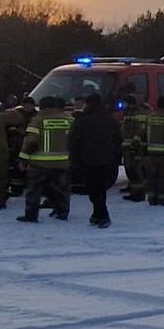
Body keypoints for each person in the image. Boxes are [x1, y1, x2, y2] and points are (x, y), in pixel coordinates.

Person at [68, 93, 123, 228]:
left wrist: (74, 158)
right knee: (100, 189)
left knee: (94, 189)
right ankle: (98, 214)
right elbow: (118, 139)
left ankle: (101, 214)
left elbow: (73, 140)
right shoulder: (110, 119)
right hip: (106, 159)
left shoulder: (82, 120)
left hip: (87, 159)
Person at [18, 96, 73, 222]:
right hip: (63, 161)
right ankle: (62, 212)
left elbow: (31, 142)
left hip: (39, 162)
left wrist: (23, 159)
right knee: (62, 189)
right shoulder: (69, 120)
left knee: (34, 190)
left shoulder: (37, 121)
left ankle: (31, 215)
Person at [141, 96, 164, 206]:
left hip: (151, 153)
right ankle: (163, 198)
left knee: (151, 176)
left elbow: (143, 134)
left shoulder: (149, 118)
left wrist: (144, 150)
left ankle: (152, 198)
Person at [120, 93, 148, 202]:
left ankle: (139, 194)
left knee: (136, 170)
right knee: (130, 170)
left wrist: (135, 144)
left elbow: (141, 130)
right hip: (127, 146)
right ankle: (133, 191)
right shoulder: (128, 113)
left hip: (136, 147)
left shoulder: (139, 113)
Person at [6, 95, 35, 200]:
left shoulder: (36, 116)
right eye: (26, 105)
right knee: (16, 166)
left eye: (30, 105)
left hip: (31, 144)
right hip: (17, 144)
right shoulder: (15, 114)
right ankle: (16, 188)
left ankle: (30, 185)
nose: (28, 107)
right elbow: (8, 127)